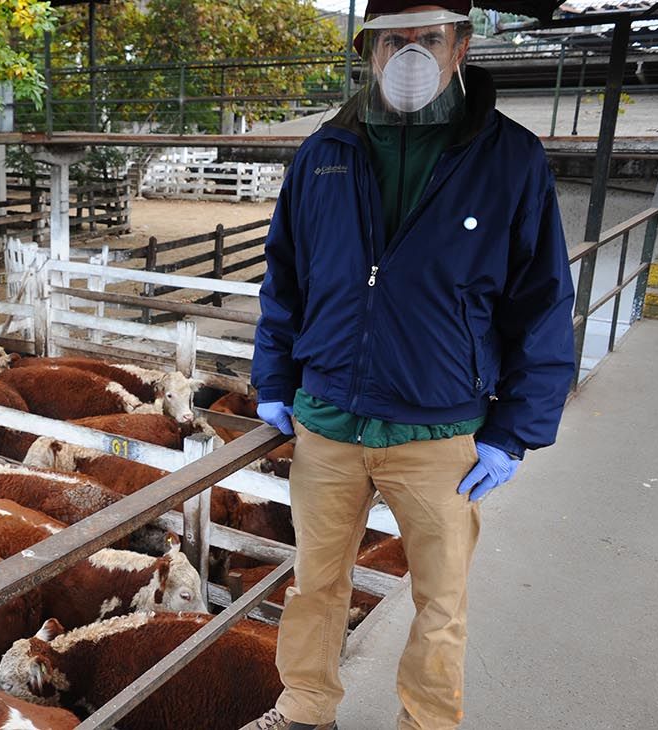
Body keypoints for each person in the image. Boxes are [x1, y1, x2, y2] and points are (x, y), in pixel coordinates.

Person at [240, 1, 576, 728]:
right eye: (396, 40)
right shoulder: (325, 152)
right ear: (368, 50)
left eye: (430, 38)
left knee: (441, 602)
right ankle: (304, 712)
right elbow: (285, 278)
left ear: (461, 47)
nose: (411, 54)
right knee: (314, 586)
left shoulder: (508, 158)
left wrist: (513, 430)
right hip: (328, 422)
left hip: (442, 433)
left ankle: (424, 723)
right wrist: (274, 379)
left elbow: (543, 301)